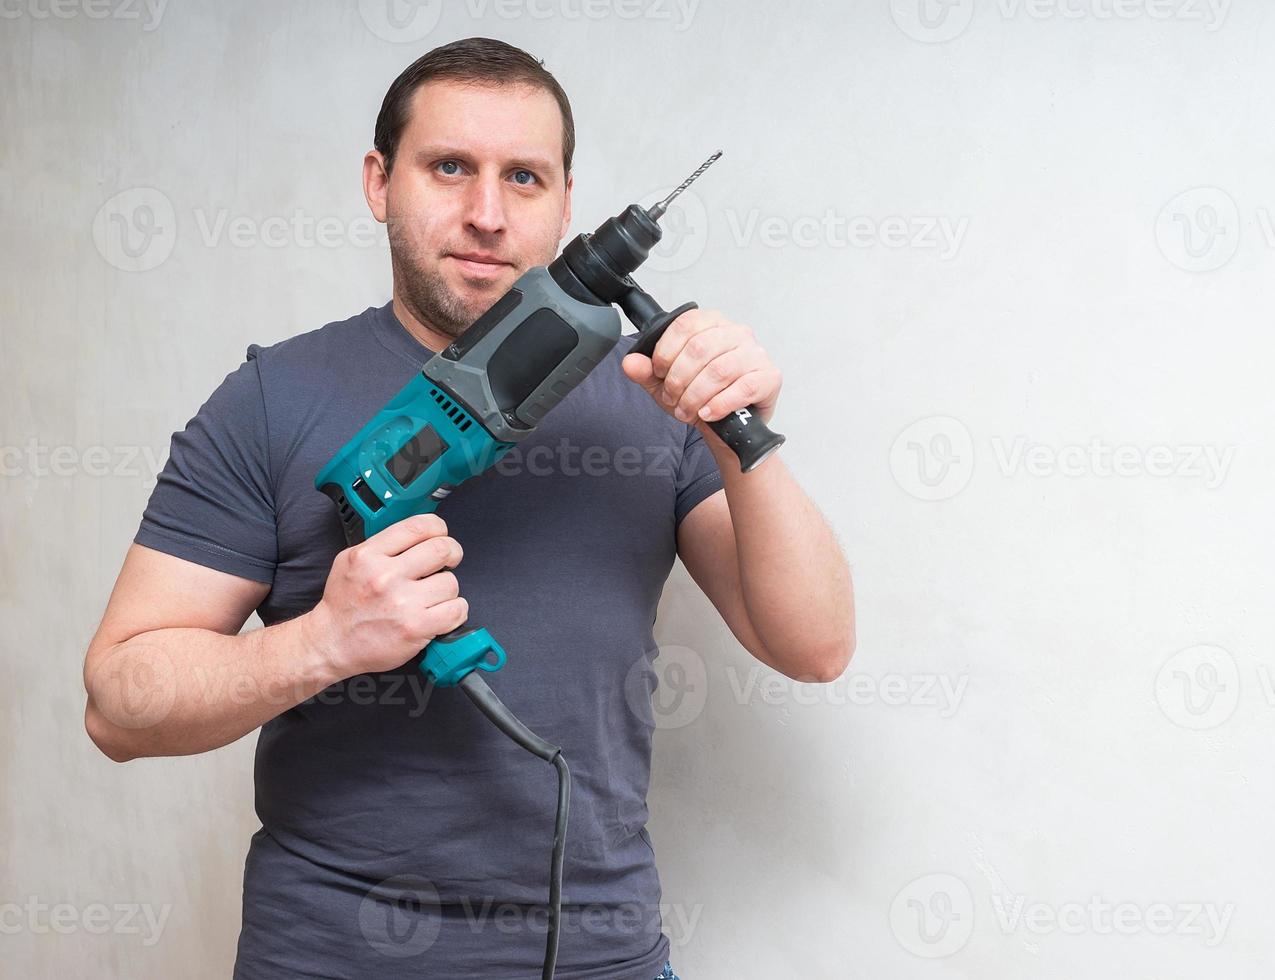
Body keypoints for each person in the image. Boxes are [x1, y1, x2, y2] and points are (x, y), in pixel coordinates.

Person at [81, 36, 854, 980]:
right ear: (380, 181)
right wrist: (323, 643)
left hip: (598, 956)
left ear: (568, 205)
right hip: (328, 959)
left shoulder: (652, 395)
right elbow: (118, 707)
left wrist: (744, 438)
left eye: (523, 177)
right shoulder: (273, 400)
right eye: (449, 167)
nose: (486, 213)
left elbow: (815, 647)